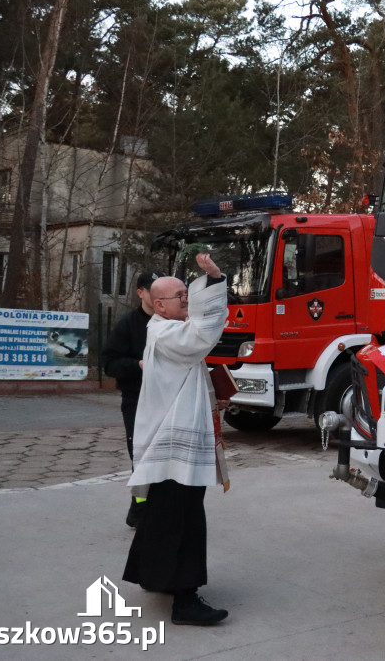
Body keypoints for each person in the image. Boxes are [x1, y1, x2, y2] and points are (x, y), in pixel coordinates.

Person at [123, 253, 230, 626]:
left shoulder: (165, 329)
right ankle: (185, 600)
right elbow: (204, 332)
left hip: (172, 443)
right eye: (182, 296)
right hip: (175, 447)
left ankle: (152, 574)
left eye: (188, 294)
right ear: (160, 305)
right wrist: (214, 282)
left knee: (163, 515)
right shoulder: (168, 332)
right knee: (184, 520)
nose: (188, 300)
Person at [102, 271, 164, 528]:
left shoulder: (174, 323)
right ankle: (139, 508)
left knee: (165, 460)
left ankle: (161, 510)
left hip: (169, 401)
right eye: (153, 291)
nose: (159, 297)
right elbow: (110, 364)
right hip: (137, 401)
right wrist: (139, 364)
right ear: (141, 292)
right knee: (141, 459)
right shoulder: (128, 324)